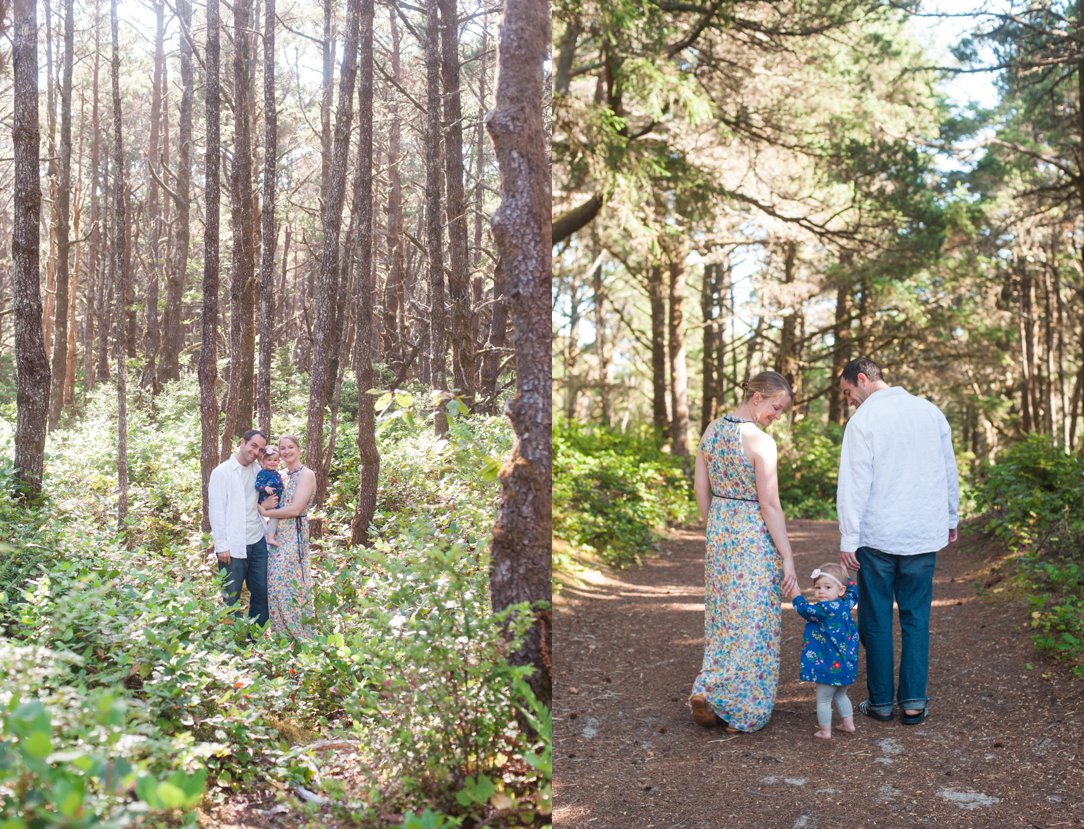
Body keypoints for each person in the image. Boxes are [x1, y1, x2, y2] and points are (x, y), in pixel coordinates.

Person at [837, 357, 959, 726]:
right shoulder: (930, 412)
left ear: (862, 379)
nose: (849, 401)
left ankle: (880, 703)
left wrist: (848, 536)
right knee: (916, 617)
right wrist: (951, 517)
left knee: (875, 619)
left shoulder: (863, 421)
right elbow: (948, 468)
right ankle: (913, 702)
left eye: (848, 392)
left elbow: (853, 484)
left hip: (878, 537)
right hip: (922, 533)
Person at [689, 370, 799, 733]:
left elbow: (700, 489)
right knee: (754, 621)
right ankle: (740, 710)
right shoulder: (760, 442)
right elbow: (770, 506)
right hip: (752, 534)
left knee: (723, 618)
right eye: (776, 407)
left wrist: (714, 523)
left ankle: (709, 691)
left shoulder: (711, 430)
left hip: (720, 531)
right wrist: (787, 556)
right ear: (757, 398)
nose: (777, 415)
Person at [785, 563, 859, 739]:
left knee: (824, 699)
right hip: (846, 665)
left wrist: (795, 594)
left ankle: (825, 731)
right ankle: (848, 724)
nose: (821, 591)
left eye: (827, 587)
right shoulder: (845, 604)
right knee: (841, 695)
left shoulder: (824, 609)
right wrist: (845, 576)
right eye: (817, 587)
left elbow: (804, 609)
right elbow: (854, 591)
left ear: (840, 590)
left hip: (829, 666)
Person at [207, 429, 273, 625]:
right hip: (233, 545)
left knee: (262, 591)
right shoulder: (222, 472)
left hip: (258, 541)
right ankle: (232, 640)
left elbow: (275, 473)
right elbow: (216, 511)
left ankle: (256, 637)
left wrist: (266, 506)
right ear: (243, 443)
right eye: (253, 446)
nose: (256, 452)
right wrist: (222, 546)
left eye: (260, 449)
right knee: (231, 596)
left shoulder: (258, 471)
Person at [258, 435, 316, 638]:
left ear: (299, 449)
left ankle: (301, 636)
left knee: (292, 585)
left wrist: (266, 514)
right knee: (274, 586)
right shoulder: (280, 474)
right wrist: (262, 507)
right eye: (282, 448)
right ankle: (281, 638)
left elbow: (295, 509)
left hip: (294, 534)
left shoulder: (306, 474)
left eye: (291, 447)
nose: (286, 451)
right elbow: (267, 499)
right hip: (275, 536)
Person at [255, 446, 285, 546]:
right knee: (274, 517)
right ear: (263, 461)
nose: (272, 462)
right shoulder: (262, 473)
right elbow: (257, 484)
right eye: (269, 460)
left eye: (275, 460)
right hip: (265, 499)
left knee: (275, 518)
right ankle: (270, 537)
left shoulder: (276, 473)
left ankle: (271, 536)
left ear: (279, 462)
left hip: (275, 500)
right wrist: (265, 487)